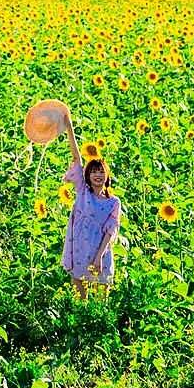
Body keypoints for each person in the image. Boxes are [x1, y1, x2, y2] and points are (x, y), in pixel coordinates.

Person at [60, 113, 122, 298]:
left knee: (101, 301)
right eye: (93, 172)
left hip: (100, 252)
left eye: (101, 172)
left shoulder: (113, 203)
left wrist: (99, 256)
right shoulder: (83, 193)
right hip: (80, 249)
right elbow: (77, 158)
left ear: (107, 176)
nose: (97, 175)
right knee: (79, 299)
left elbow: (111, 232)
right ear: (87, 176)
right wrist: (69, 128)